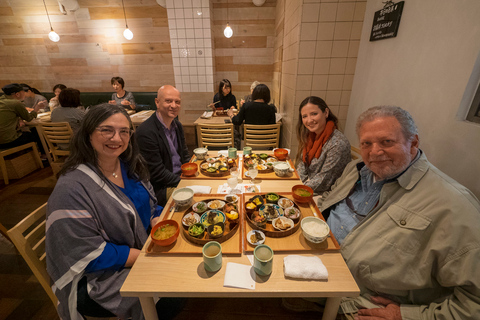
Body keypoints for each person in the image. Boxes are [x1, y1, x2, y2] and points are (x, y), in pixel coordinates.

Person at [317, 106, 480, 319]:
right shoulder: (357, 169)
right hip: (320, 263)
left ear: (413, 143)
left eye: (387, 142)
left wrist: (407, 316)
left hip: (355, 303)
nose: (374, 152)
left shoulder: (454, 205)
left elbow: (474, 303)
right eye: (366, 143)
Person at [46, 104, 164, 320]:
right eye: (106, 130)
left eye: (124, 132)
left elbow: (149, 205)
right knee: (171, 292)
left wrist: (157, 218)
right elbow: (87, 254)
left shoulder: (129, 166)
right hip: (96, 277)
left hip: (141, 248)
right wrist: (148, 257)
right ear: (88, 134)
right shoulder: (72, 187)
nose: (116, 138)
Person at [136, 85, 189, 206]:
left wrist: (191, 174)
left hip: (180, 178)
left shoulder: (177, 125)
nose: (174, 106)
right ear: (157, 102)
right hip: (162, 188)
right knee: (198, 197)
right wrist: (185, 182)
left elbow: (185, 155)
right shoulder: (146, 132)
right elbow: (157, 173)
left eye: (177, 102)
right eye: (168, 101)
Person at [295, 96, 351, 195]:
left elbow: (324, 181)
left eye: (314, 114)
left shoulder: (337, 143)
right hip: (308, 184)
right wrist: (297, 182)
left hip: (326, 194)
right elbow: (303, 163)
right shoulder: (311, 135)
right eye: (305, 116)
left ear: (326, 112)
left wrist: (298, 189)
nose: (309, 120)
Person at [0, 83, 44, 153]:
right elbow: (29, 118)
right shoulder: (15, 103)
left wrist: (19, 119)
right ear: (17, 94)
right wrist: (36, 109)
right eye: (23, 92)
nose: (24, 94)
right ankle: (44, 156)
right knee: (37, 133)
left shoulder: (2, 100)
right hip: (7, 141)